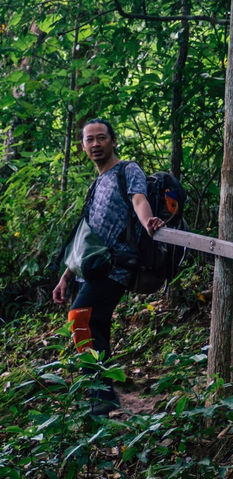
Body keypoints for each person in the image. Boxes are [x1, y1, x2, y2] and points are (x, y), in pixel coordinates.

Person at [53, 119, 165, 415]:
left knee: (79, 317)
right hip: (92, 267)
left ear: (113, 140)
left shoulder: (128, 170)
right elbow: (86, 236)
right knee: (95, 324)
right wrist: (66, 276)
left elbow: (139, 200)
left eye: (101, 138)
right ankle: (102, 396)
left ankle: (101, 394)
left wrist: (149, 221)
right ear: (83, 146)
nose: (95, 144)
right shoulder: (96, 184)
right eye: (89, 140)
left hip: (117, 265)